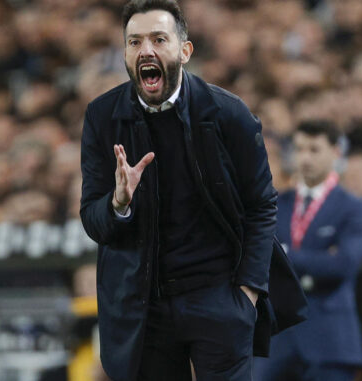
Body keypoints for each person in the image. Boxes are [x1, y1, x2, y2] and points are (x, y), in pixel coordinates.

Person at [79, 1, 307, 380]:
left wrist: (247, 294)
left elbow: (262, 204)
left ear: (184, 51)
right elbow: (93, 220)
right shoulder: (102, 117)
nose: (146, 50)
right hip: (145, 308)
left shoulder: (229, 113)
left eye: (158, 39)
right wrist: (118, 203)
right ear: (124, 53)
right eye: (134, 42)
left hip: (218, 298)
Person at [254, 121, 362, 381]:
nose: (305, 157)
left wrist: (284, 254)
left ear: (336, 152)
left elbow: (343, 264)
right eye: (299, 149)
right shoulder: (275, 204)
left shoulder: (354, 207)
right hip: (278, 339)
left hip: (330, 340)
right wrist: (318, 258)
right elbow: (258, 256)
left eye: (314, 149)